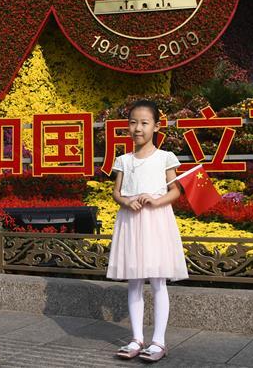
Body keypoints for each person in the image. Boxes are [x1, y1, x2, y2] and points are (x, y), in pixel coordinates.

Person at [107, 99, 188, 363]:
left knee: (158, 281)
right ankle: (136, 338)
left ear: (156, 126)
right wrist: (126, 201)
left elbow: (175, 190)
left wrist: (156, 200)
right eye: (133, 122)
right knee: (134, 281)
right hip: (131, 221)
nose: (137, 128)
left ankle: (159, 341)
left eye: (144, 123)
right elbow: (117, 192)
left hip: (156, 221)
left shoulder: (166, 157)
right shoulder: (123, 160)